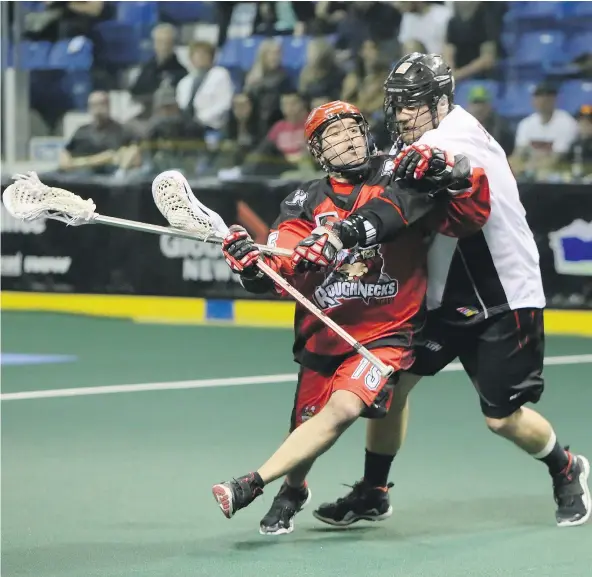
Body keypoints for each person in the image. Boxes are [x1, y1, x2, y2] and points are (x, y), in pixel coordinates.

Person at [313, 53, 591, 529]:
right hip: (447, 296)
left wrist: (344, 233)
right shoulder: (426, 136)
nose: (402, 115)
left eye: (414, 105)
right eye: (398, 105)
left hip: (502, 296)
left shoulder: (451, 140)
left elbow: (410, 196)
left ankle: (566, 467)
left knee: (502, 419)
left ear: (442, 101)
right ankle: (374, 492)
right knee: (390, 388)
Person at [211, 100, 490, 534]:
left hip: (386, 333)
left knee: (343, 408)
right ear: (317, 152)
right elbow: (281, 269)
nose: (347, 138)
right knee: (305, 422)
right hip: (326, 331)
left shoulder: (398, 174)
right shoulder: (303, 201)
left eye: (352, 129)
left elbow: (448, 208)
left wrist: (453, 173)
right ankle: (294, 488)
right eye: (333, 135)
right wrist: (253, 265)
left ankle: (253, 483)